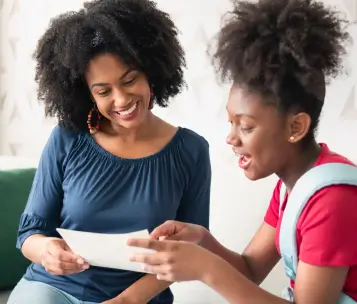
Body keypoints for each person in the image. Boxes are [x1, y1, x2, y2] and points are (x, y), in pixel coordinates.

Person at [128, 0, 357, 303]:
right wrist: (203, 242)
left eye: (246, 127)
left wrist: (205, 268)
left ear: (296, 127)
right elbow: (250, 269)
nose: (231, 138)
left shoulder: (332, 200)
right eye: (231, 122)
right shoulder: (293, 188)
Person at [7, 1, 211, 304]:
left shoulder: (190, 151)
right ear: (87, 94)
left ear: (151, 74)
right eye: (103, 91)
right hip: (53, 289)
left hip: (138, 298)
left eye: (129, 81)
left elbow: (192, 250)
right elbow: (30, 232)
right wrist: (46, 252)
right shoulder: (67, 139)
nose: (121, 99)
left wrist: (127, 300)